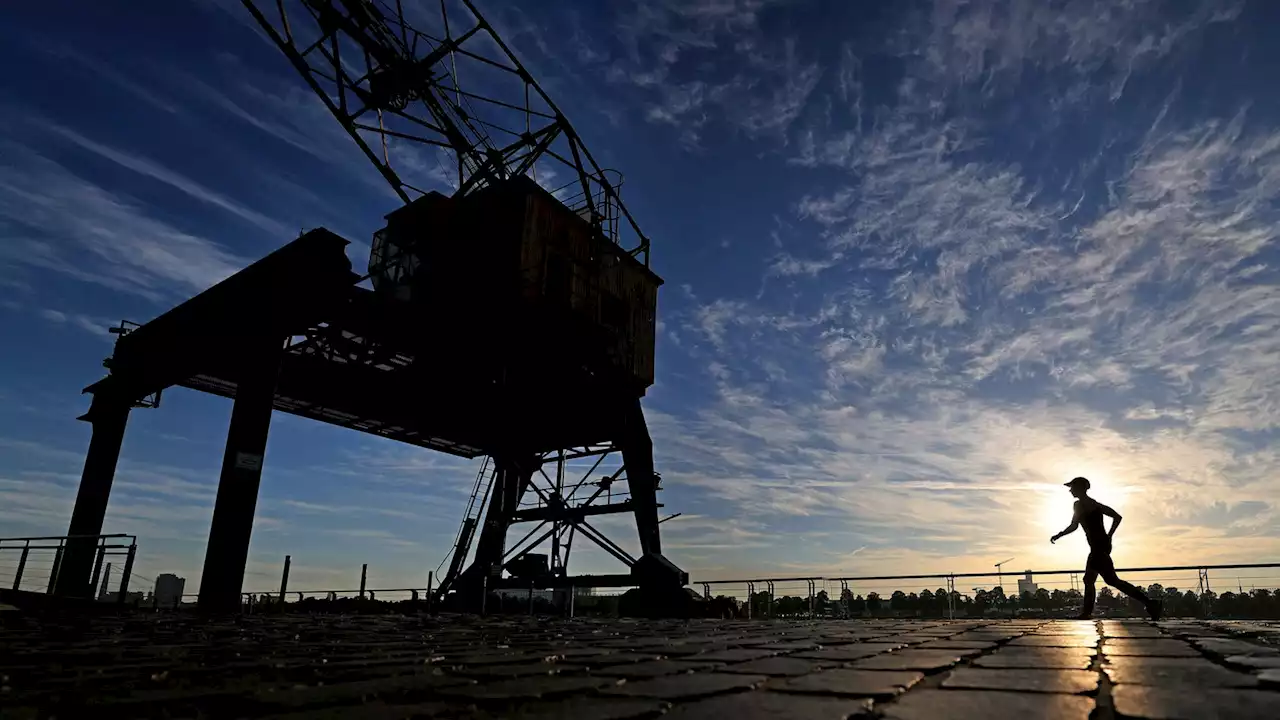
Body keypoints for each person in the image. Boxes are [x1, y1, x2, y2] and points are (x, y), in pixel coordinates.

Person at [1051, 477, 1160, 620]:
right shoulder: (1095, 504)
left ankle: (1087, 613)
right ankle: (1150, 603)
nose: (1070, 490)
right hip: (1101, 546)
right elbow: (1117, 517)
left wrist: (1059, 535)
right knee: (1105, 580)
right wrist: (1109, 536)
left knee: (1099, 580)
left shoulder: (1079, 505)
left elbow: (1074, 525)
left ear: (1079, 489)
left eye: (1072, 488)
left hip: (1098, 548)